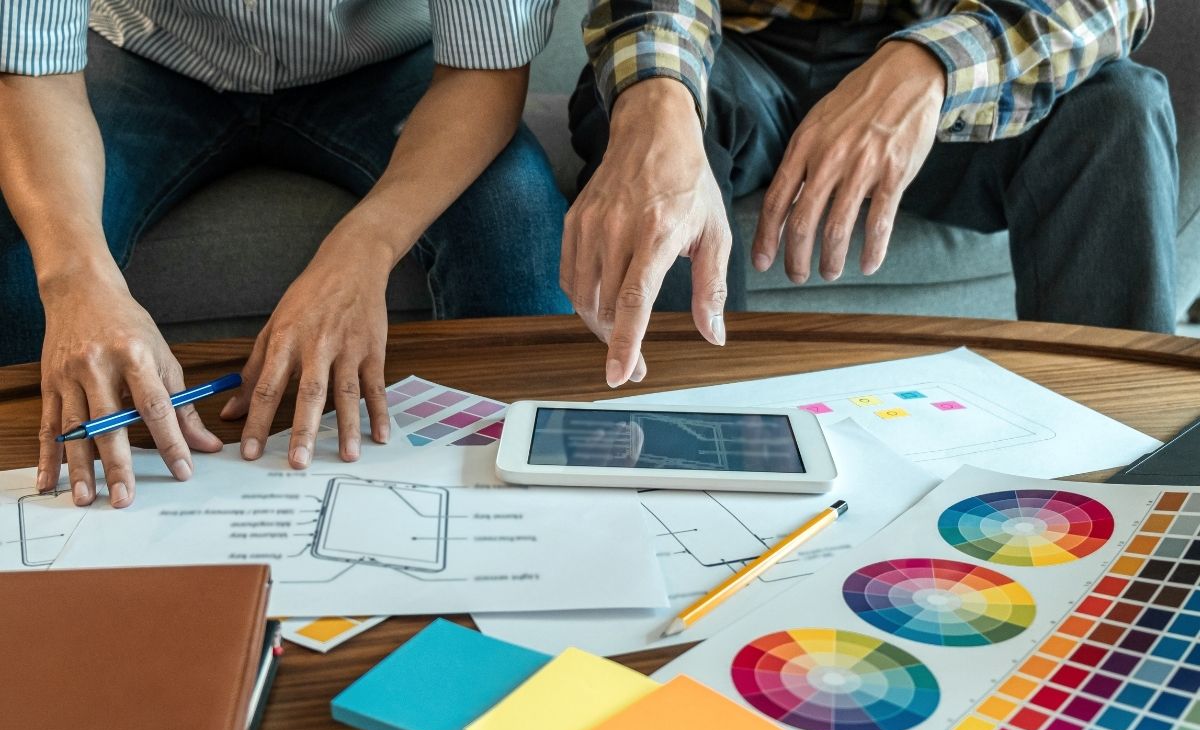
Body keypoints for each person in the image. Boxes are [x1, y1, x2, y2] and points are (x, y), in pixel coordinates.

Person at [0, 1, 570, 508]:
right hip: (152, 54)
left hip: (388, 60)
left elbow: (484, 65)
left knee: (514, 222)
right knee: (20, 264)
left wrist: (364, 248)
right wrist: (76, 278)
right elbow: (30, 70)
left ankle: (519, 522)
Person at [563, 0, 1178, 388]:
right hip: (730, 51)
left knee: (1120, 106)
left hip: (942, 43)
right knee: (642, 110)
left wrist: (933, 63)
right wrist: (660, 97)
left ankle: (1135, 454)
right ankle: (678, 432)